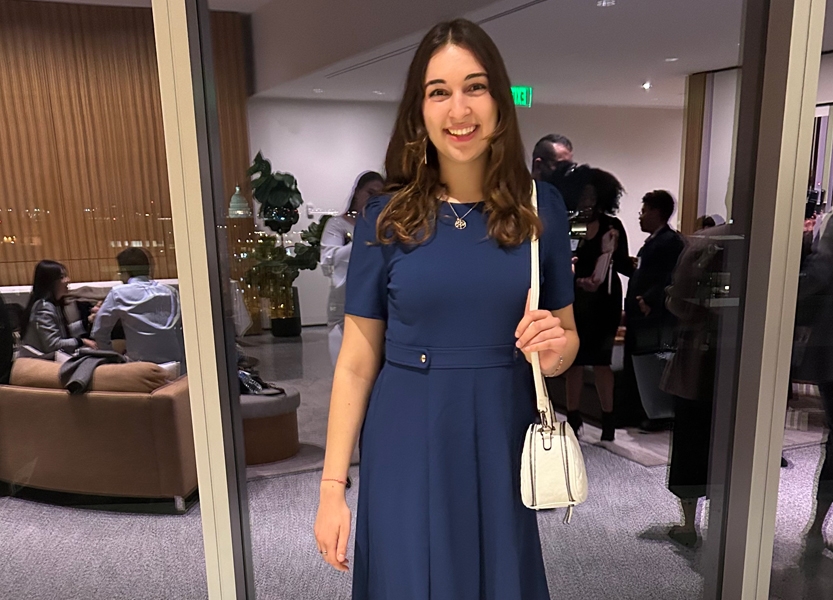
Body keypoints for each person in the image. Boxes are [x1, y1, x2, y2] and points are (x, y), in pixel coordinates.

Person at [313, 19, 579, 599]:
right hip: (406, 428)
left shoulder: (541, 208)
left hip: (500, 428)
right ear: (420, 110)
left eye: (475, 87)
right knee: (410, 578)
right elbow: (357, 362)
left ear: (500, 101)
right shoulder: (386, 216)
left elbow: (565, 341)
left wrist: (555, 351)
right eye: (439, 92)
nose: (459, 109)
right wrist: (333, 487)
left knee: (497, 577)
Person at [563, 166, 633, 442]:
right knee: (574, 362)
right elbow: (565, 260)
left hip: (605, 302)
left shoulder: (612, 226)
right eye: (583, 196)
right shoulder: (574, 224)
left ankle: (608, 421)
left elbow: (625, 264)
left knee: (602, 362)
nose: (587, 201)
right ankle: (573, 418)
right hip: (576, 301)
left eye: (592, 195)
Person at [625, 190, 685, 431]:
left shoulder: (670, 242)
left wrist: (647, 300)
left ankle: (658, 414)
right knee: (641, 362)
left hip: (655, 316)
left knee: (653, 362)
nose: (641, 216)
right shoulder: (654, 242)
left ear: (657, 213)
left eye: (644, 211)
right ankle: (644, 410)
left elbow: (671, 277)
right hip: (642, 314)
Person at [320, 171, 385, 365]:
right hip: (343, 301)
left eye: (379, 196)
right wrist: (364, 242)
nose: (373, 200)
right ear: (357, 192)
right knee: (344, 363)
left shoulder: (383, 228)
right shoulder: (337, 225)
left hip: (373, 298)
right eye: (369, 193)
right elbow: (328, 259)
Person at [91, 248, 184, 366]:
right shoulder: (171, 292)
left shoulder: (118, 293)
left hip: (141, 366)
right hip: (176, 363)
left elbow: (99, 332)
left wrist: (112, 358)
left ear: (124, 271)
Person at [20, 260, 94, 355]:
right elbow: (52, 345)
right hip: (43, 363)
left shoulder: (53, 304)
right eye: (62, 277)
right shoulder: (43, 308)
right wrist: (82, 341)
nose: (68, 280)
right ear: (50, 282)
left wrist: (87, 321)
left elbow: (62, 332)